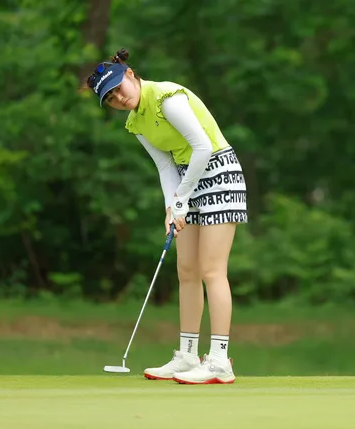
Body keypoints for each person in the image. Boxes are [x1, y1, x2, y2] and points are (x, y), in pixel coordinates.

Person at [84, 48, 247, 384]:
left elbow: (202, 147)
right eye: (110, 99)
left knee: (212, 270)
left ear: (130, 75)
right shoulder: (135, 122)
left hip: (219, 173)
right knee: (186, 270)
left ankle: (219, 361)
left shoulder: (166, 98)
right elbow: (164, 165)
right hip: (187, 180)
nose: (118, 99)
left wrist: (181, 198)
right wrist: (171, 207)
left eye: (118, 89)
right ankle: (187, 356)